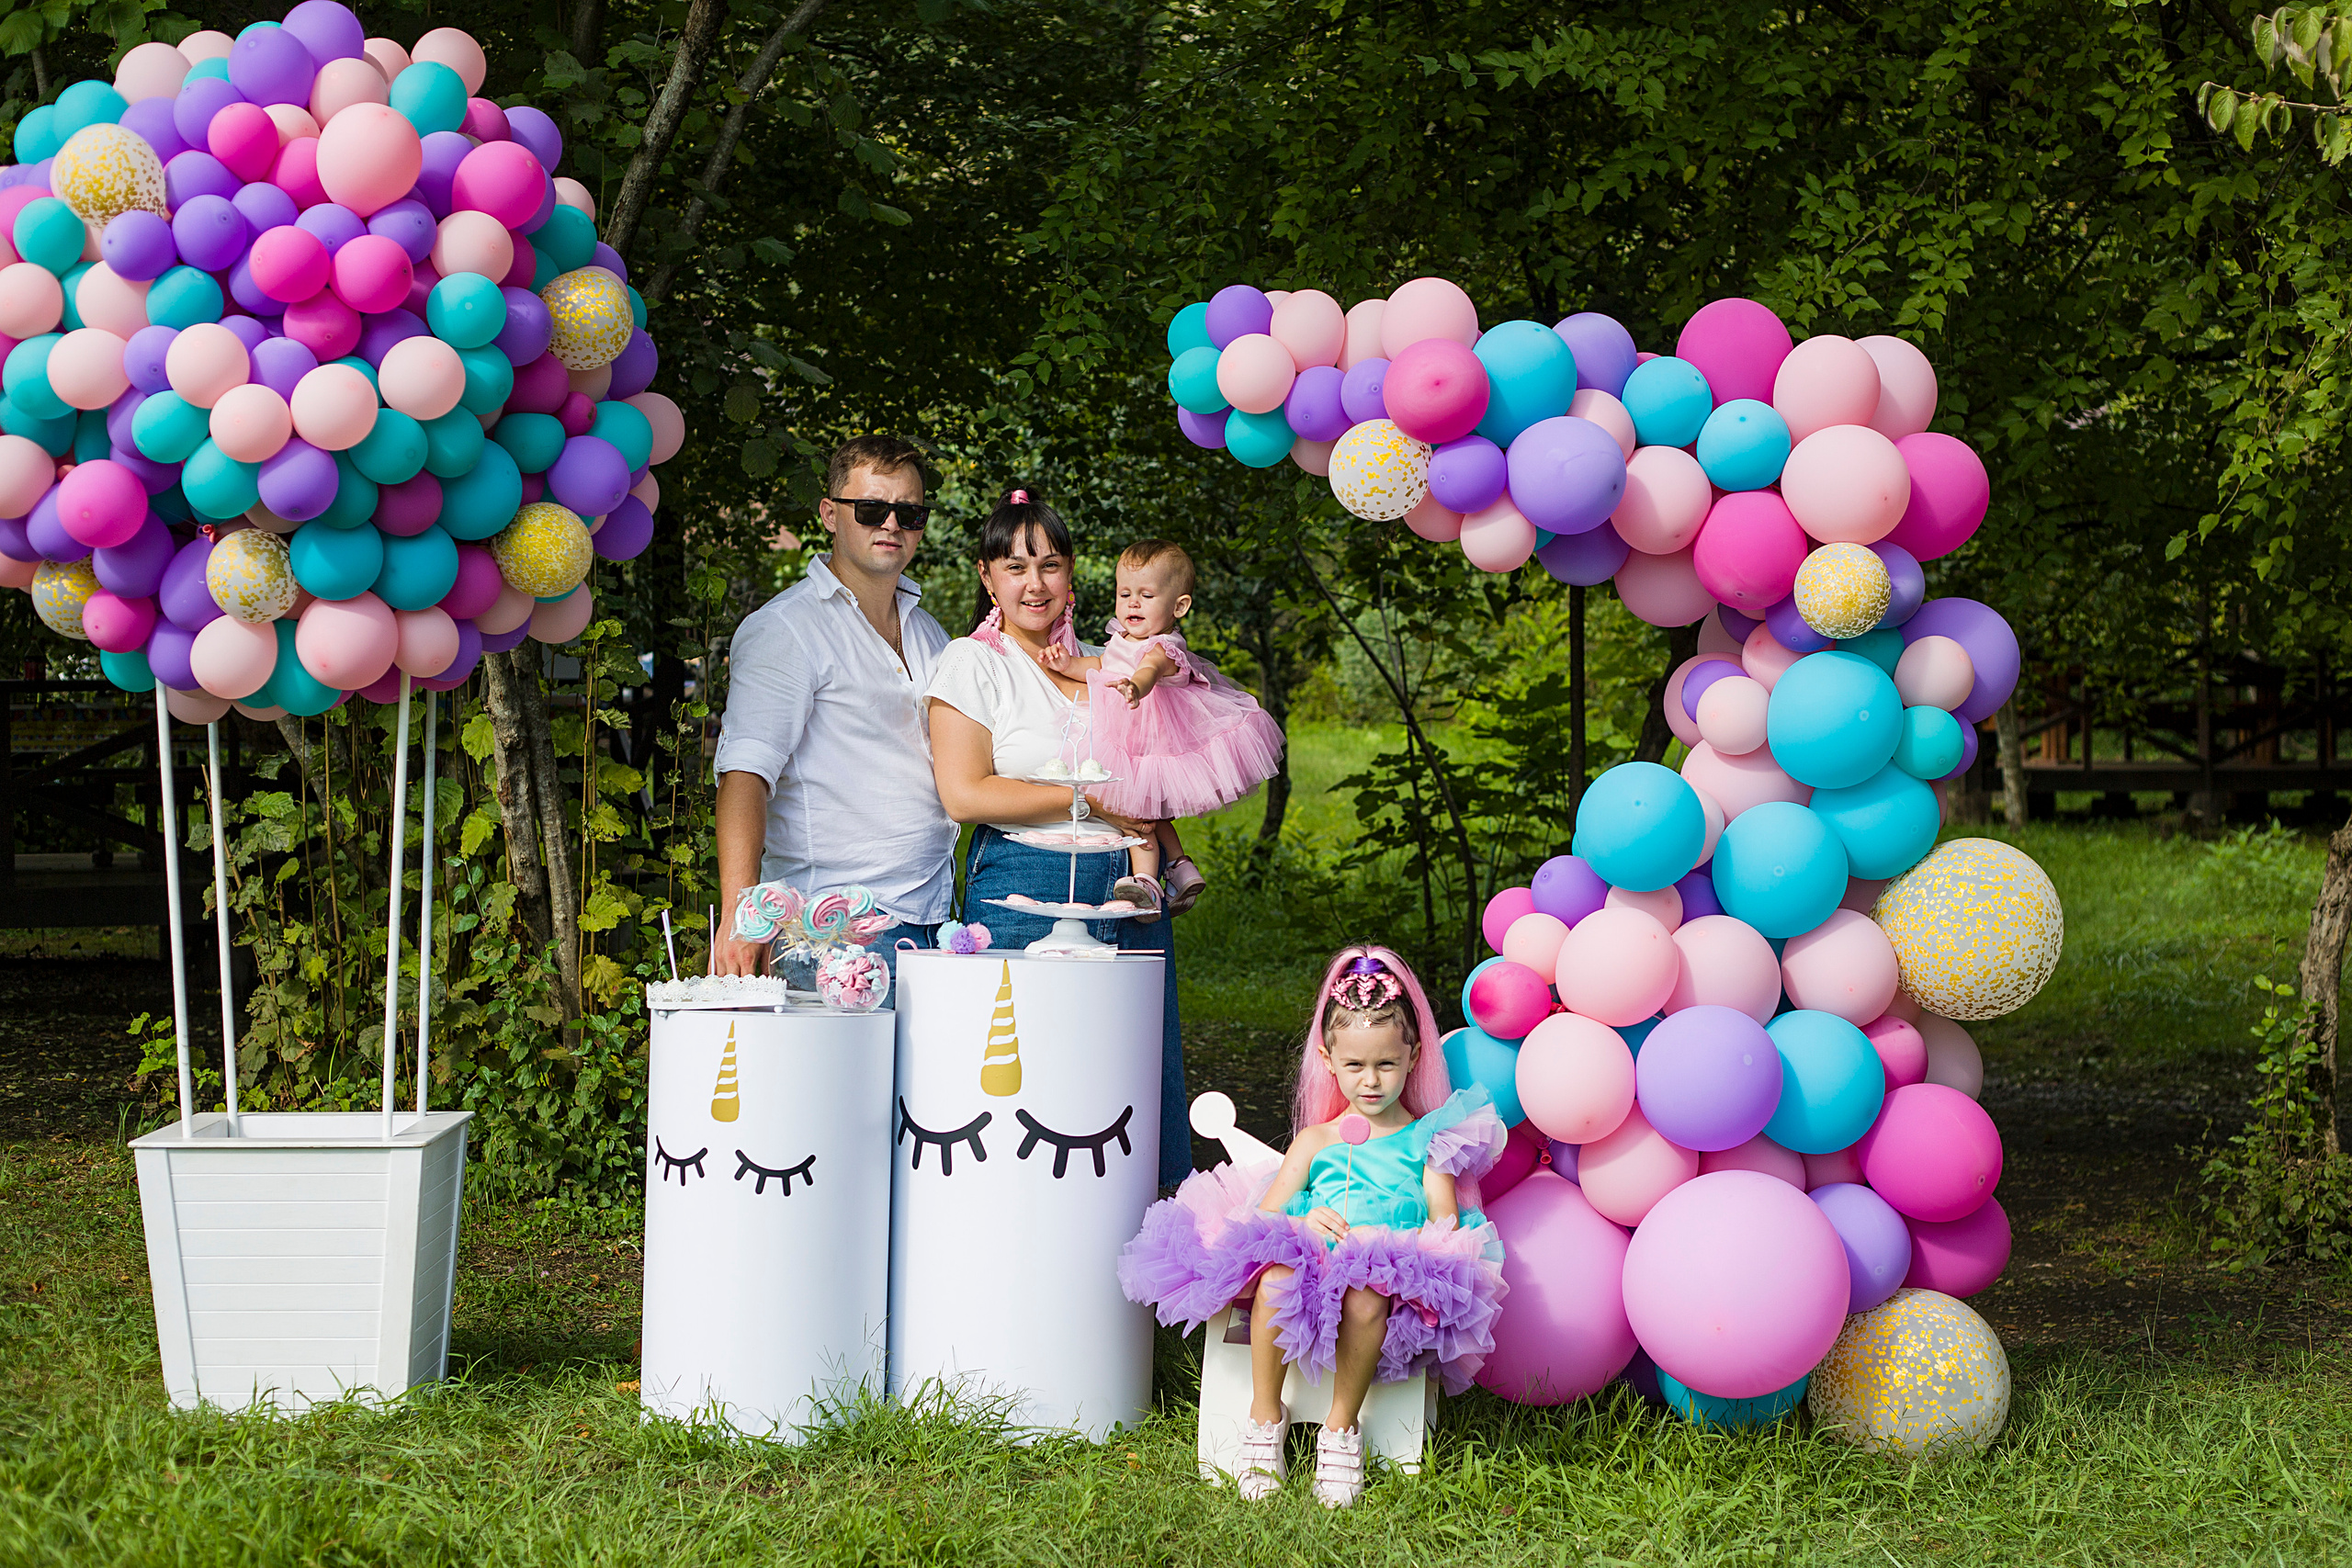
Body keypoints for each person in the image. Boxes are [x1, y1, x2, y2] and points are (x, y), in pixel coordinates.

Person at [1116, 945, 1508, 1509]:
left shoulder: (1429, 1140)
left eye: (1386, 1065)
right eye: (1354, 1066)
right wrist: (1305, 1217)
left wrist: (1388, 1242)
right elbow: (1263, 1215)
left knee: (1369, 1292)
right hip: (1310, 1267)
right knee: (1276, 1276)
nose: (1370, 1081)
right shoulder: (1317, 1141)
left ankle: (1340, 1430)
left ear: (1414, 1055)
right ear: (1328, 1059)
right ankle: (1264, 1419)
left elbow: (1446, 1228)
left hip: (1386, 1274)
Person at [923, 490, 1190, 1187]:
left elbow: (1158, 762)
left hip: (1128, 884)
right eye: (1015, 567)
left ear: (1071, 573)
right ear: (987, 577)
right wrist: (1088, 798)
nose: (1034, 583)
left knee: (1133, 1075)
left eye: (1049, 564)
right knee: (1026, 1080)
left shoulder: (1113, 664)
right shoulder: (972, 663)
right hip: (1023, 877)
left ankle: (1143, 1246)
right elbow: (966, 793)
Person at [712, 435, 954, 976]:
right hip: (828, 934)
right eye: (870, 509)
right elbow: (744, 774)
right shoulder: (786, 628)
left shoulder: (929, 633)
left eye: (909, 513)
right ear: (829, 514)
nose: (890, 524)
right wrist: (741, 917)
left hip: (933, 922)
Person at [1037, 539, 1283, 920]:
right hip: (1133, 741)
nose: (1133, 604)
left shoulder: (1165, 647)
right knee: (1149, 810)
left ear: (1178, 606)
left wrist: (1136, 687)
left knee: (1136, 813)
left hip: (1149, 742)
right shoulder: (1122, 639)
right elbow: (1098, 667)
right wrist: (1065, 663)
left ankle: (1147, 883)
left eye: (1146, 595)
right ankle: (1181, 867)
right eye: (1125, 594)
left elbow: (1150, 669)